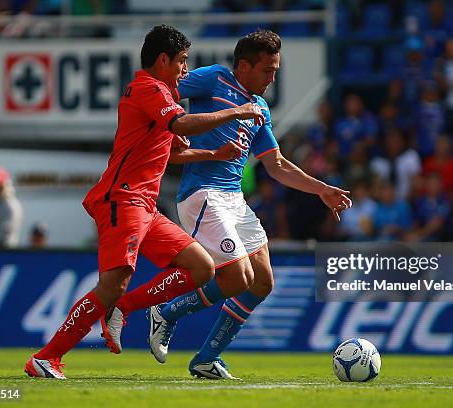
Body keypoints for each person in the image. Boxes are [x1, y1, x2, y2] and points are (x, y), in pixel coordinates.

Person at [102, 29, 352, 380]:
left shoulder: (259, 108)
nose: (272, 78)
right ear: (244, 66)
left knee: (262, 282)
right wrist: (170, 132)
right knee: (238, 277)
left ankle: (206, 359)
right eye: (267, 70)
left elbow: (276, 164)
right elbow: (165, 92)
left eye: (276, 70)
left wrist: (320, 188)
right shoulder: (213, 78)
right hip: (202, 193)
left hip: (235, 199)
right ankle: (166, 313)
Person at [24, 24, 264, 380]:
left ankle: (126, 308)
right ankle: (47, 357)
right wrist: (235, 112)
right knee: (112, 284)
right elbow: (181, 124)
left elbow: (173, 153)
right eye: (182, 61)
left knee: (202, 267)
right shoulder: (147, 88)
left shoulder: (163, 96)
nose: (187, 68)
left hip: (145, 207)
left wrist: (214, 153)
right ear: (163, 60)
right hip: (123, 199)